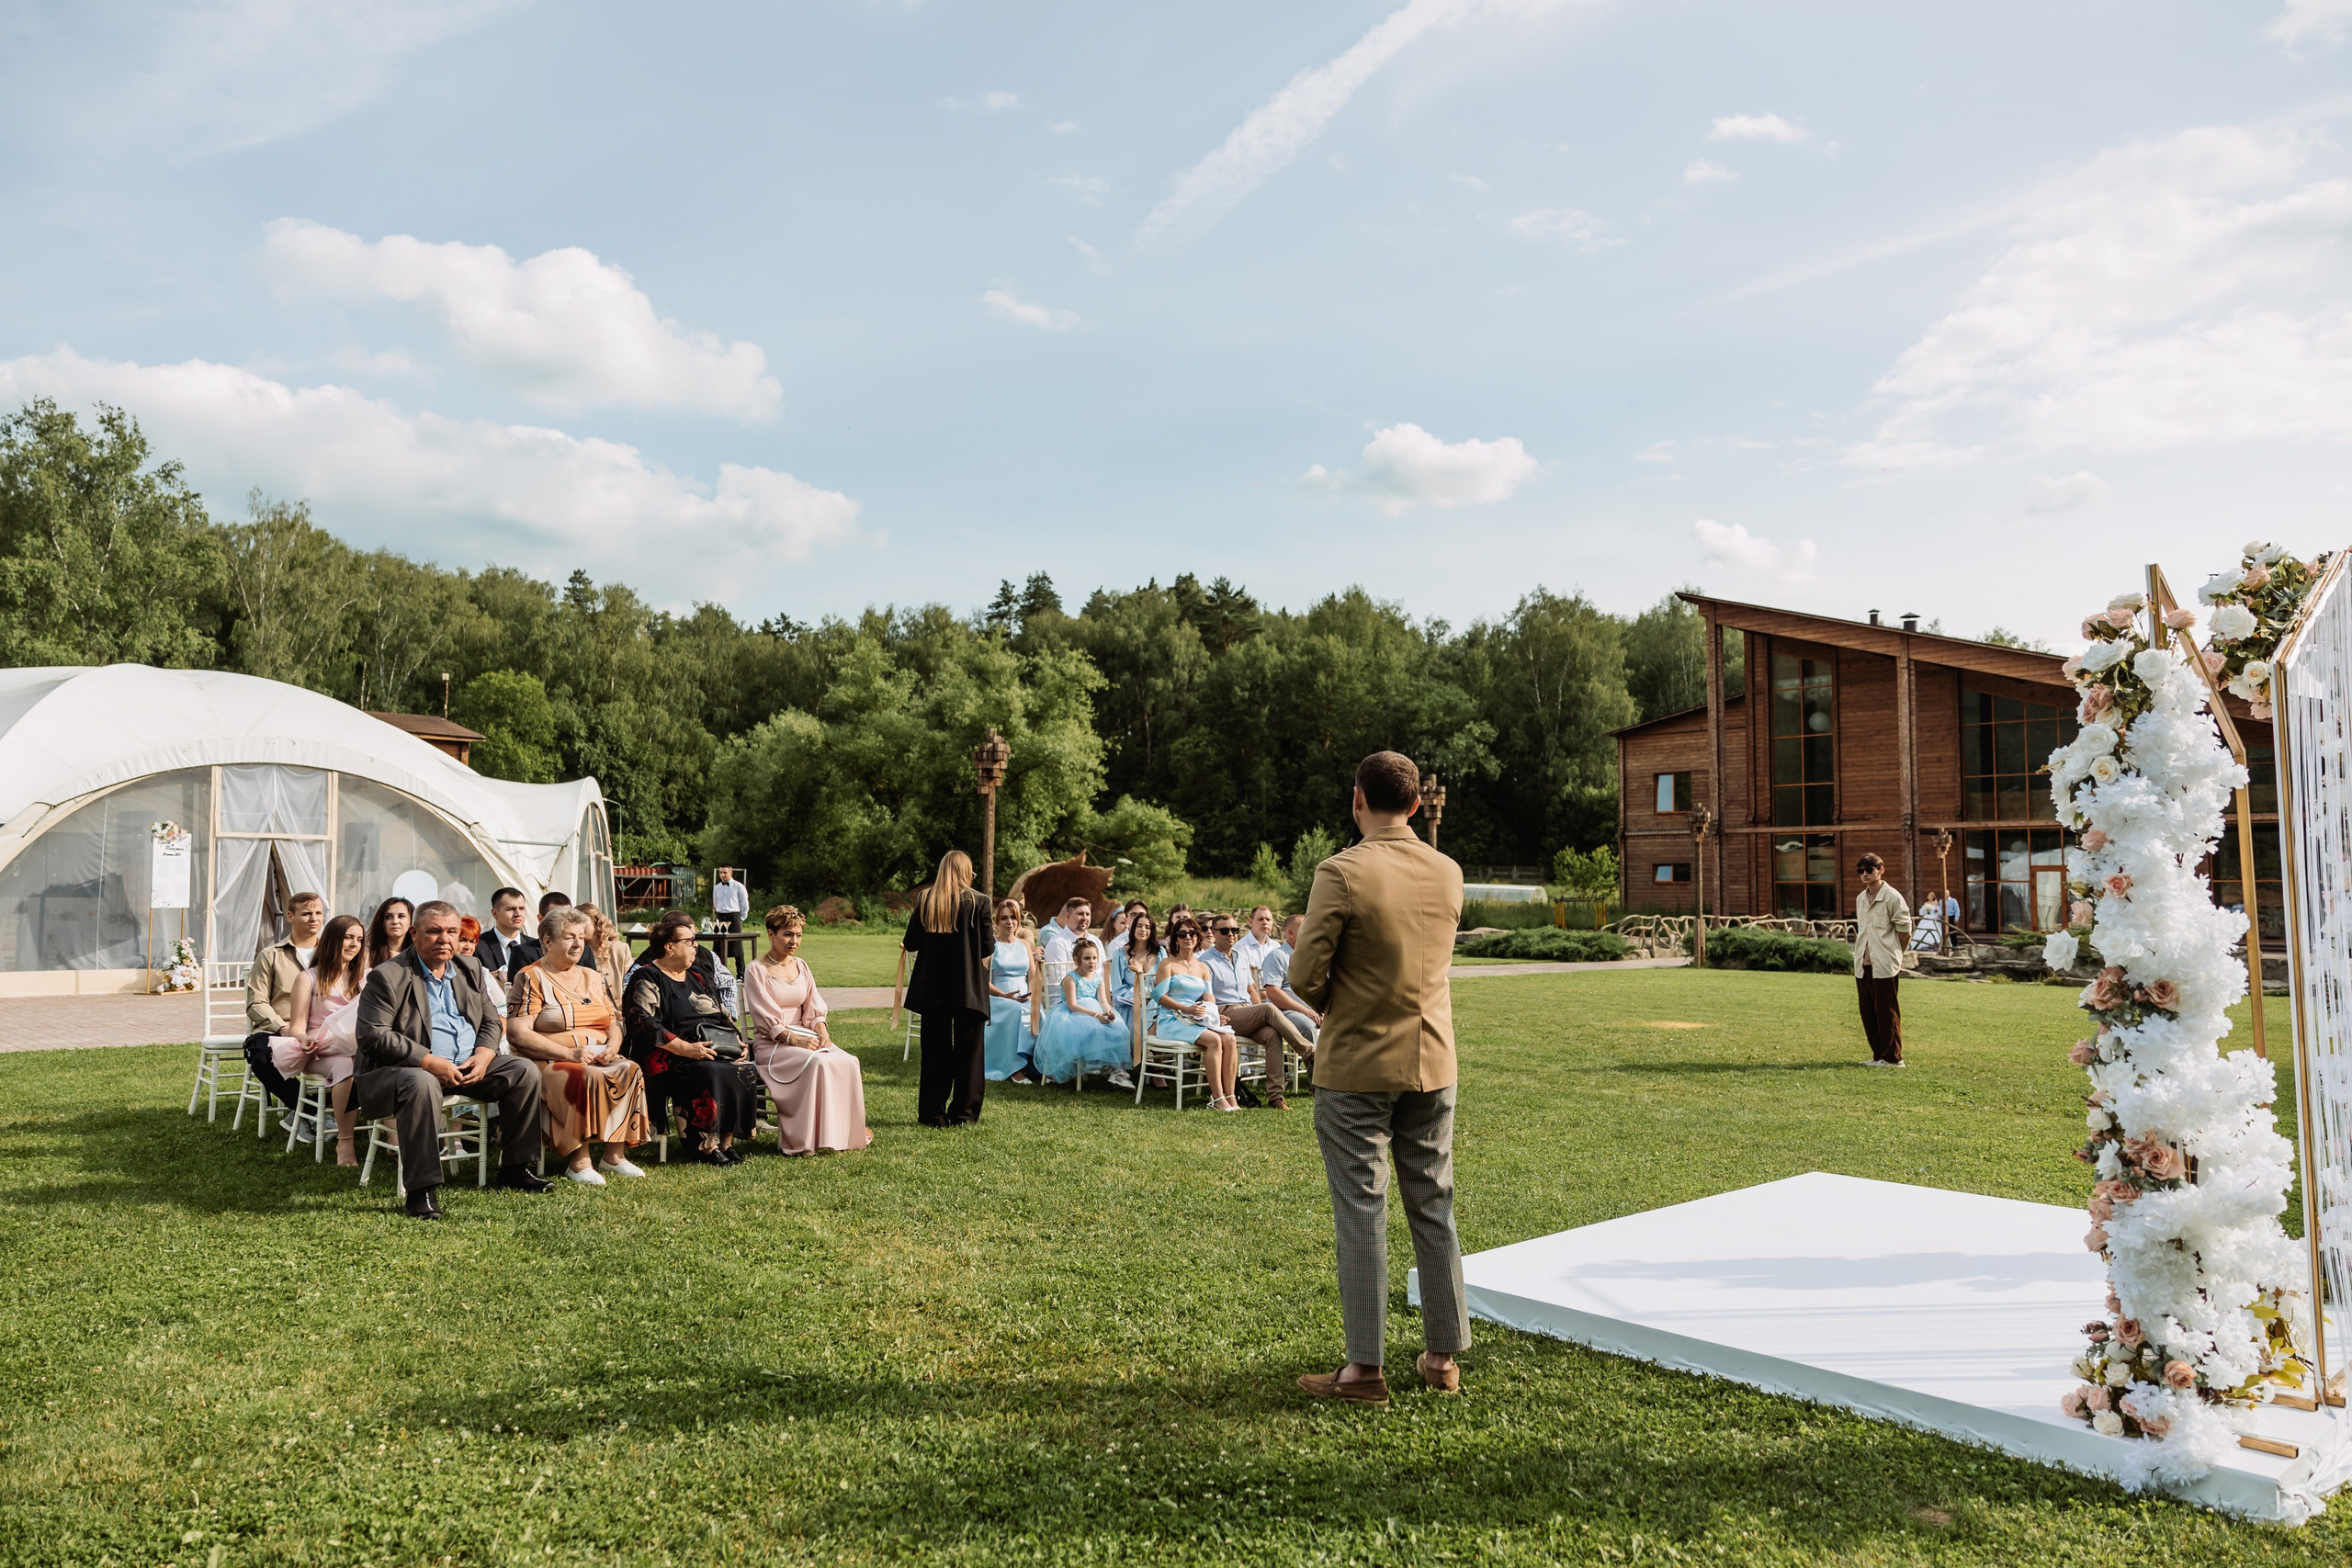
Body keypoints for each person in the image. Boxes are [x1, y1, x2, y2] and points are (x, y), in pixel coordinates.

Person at [1290, 750, 1468, 1404]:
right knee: (1434, 1205)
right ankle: (1442, 1357)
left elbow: (1304, 978)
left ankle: (1364, 1370)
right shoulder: (1449, 872)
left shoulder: (1341, 871)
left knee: (1362, 1210)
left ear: (1357, 798)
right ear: (1418, 804)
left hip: (1359, 1065)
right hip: (1433, 1060)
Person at [351, 900, 550, 1220]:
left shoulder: (470, 969)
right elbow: (373, 1036)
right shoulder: (387, 976)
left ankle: (514, 1169)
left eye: (451, 931)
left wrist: (485, 1055)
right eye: (434, 931)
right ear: (414, 933)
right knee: (421, 1082)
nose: (444, 939)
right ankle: (421, 1190)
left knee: (523, 1070)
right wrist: (429, 1061)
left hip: (468, 1064)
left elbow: (490, 1020)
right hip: (405, 1071)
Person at [506, 908, 652, 1185]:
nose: (577, 944)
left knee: (629, 1069)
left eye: (581, 938)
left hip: (597, 1054)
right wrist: (568, 1053)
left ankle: (614, 1157)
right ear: (548, 941)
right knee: (580, 1075)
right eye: (569, 937)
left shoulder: (591, 976)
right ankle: (579, 1161)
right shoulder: (531, 978)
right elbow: (518, 1033)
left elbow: (612, 1022)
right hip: (550, 1059)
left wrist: (612, 1045)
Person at [623, 909, 754, 1164]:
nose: (696, 946)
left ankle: (726, 1143)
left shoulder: (697, 975)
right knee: (711, 1071)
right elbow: (646, 1024)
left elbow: (722, 1013)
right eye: (689, 941)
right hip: (670, 1053)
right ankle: (705, 1145)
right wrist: (687, 1049)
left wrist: (736, 1040)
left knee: (744, 1068)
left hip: (710, 1046)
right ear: (669, 947)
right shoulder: (647, 976)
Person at [744, 905, 871, 1155]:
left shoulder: (801, 966)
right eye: (787, 934)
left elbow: (814, 1007)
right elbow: (766, 1019)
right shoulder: (756, 970)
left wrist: (822, 1032)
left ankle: (843, 1135)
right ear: (771, 934)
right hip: (774, 1045)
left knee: (849, 1061)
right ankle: (807, 1138)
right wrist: (795, 1040)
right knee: (818, 1064)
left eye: (799, 935)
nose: (794, 941)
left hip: (807, 1036)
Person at [896, 850, 992, 1127]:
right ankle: (964, 1114)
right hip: (968, 988)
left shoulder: (926, 899)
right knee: (970, 1054)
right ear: (966, 871)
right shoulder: (980, 902)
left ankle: (932, 1113)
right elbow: (987, 947)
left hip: (933, 989)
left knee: (935, 1053)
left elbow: (911, 942)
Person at [269, 912, 368, 1164]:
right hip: (319, 1050)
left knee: (386, 1062)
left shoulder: (365, 979)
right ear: (332, 940)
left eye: (359, 939)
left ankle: (393, 1138)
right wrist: (302, 1039)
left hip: (358, 1048)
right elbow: (297, 1026)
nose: (354, 944)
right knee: (346, 1065)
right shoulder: (309, 977)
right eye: (348, 937)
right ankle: (345, 1143)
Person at [1203, 913, 1314, 1110]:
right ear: (1213, 932)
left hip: (1246, 1011)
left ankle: (1275, 1096)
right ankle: (1309, 1051)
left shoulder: (1241, 956)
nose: (1231, 934)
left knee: (1272, 1034)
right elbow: (1205, 996)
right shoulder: (1205, 961)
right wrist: (1216, 1015)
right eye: (1225, 930)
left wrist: (1256, 1009)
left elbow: (1252, 989)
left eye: (1235, 930)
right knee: (1269, 1007)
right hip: (1224, 1014)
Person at [243, 890, 330, 1111]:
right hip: (279, 1028)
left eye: (319, 913)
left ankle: (329, 1107)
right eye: (307, 913)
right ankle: (310, 1112)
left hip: (321, 1028)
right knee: (261, 1056)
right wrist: (282, 1028)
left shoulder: (332, 955)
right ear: (290, 916)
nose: (314, 918)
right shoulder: (270, 955)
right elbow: (256, 1002)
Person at [1149, 914, 1241, 1111]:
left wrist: (1215, 1016)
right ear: (1175, 939)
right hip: (1171, 1019)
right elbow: (1159, 996)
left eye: (1192, 933)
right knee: (1214, 1040)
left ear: (1198, 937)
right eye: (1182, 934)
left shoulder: (1202, 967)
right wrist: (1185, 1008)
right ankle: (1217, 1099)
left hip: (1196, 1017)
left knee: (1229, 1039)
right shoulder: (1168, 964)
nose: (1188, 937)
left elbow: (1209, 998)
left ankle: (1231, 1096)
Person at [1034, 936, 1135, 1088]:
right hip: (1073, 1014)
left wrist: (1107, 1011)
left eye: (1094, 958)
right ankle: (1107, 1068)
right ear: (1077, 960)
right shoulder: (1070, 979)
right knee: (1093, 1029)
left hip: (1096, 1010)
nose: (1092, 962)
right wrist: (1096, 1015)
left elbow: (1103, 1001)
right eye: (1087, 958)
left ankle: (1114, 1070)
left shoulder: (1098, 978)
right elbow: (1072, 1004)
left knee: (1120, 1029)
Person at [1853, 852, 1913, 1066]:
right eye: (1861, 871)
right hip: (1863, 963)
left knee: (1887, 1011)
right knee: (1868, 1011)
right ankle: (1878, 1055)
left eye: (1869, 869)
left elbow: (1905, 932)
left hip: (1885, 963)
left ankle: (1893, 1058)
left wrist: (1897, 955)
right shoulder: (1861, 898)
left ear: (1881, 870)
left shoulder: (1893, 897)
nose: (1865, 874)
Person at [984, 897, 1041, 1084]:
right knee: (1016, 1012)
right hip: (998, 999)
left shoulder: (1024, 945)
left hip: (1024, 998)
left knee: (1039, 1012)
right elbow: (981, 980)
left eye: (1013, 918)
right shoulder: (991, 946)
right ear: (996, 921)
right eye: (1004, 918)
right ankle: (1015, 1070)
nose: (1009, 923)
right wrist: (1003, 995)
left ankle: (1037, 1065)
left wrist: (1032, 995)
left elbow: (1032, 976)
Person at [1259, 912, 1322, 1047]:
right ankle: (1313, 1067)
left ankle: (1331, 1066)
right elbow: (1273, 992)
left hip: (1311, 1009)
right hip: (1284, 1011)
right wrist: (1304, 1010)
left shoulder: (1311, 957)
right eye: (1306, 930)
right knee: (1307, 1026)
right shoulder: (1277, 956)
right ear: (1291, 933)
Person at [480, 886, 538, 976]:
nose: (518, 914)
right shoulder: (479, 946)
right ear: (495, 913)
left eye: (522, 908)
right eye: (511, 909)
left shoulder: (536, 946)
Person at [455, 916, 507, 1014]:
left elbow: (502, 1006)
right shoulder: (441, 971)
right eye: (462, 940)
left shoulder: (483, 972)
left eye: (472, 941)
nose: (468, 947)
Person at [578, 903, 631, 999]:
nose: (578, 927)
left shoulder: (620, 949)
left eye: (582, 923)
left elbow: (630, 983)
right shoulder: (576, 952)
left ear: (595, 922)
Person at [711, 866, 749, 971]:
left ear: (731, 873)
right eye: (720, 873)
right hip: (720, 916)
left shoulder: (739, 886)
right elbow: (716, 902)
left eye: (725, 872)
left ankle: (741, 974)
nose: (722, 875)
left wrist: (740, 918)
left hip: (734, 916)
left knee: (737, 947)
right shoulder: (717, 887)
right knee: (718, 947)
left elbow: (744, 904)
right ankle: (719, 972)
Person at [1041, 897, 1094, 966]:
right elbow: (1059, 976)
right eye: (1080, 914)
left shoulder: (1096, 942)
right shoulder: (1057, 944)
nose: (1085, 918)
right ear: (1068, 916)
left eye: (1087, 914)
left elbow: (1103, 971)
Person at [366, 897, 413, 970]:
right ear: (382, 922)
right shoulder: (367, 956)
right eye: (388, 917)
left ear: (411, 920)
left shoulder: (420, 957)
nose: (395, 922)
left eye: (401, 916)